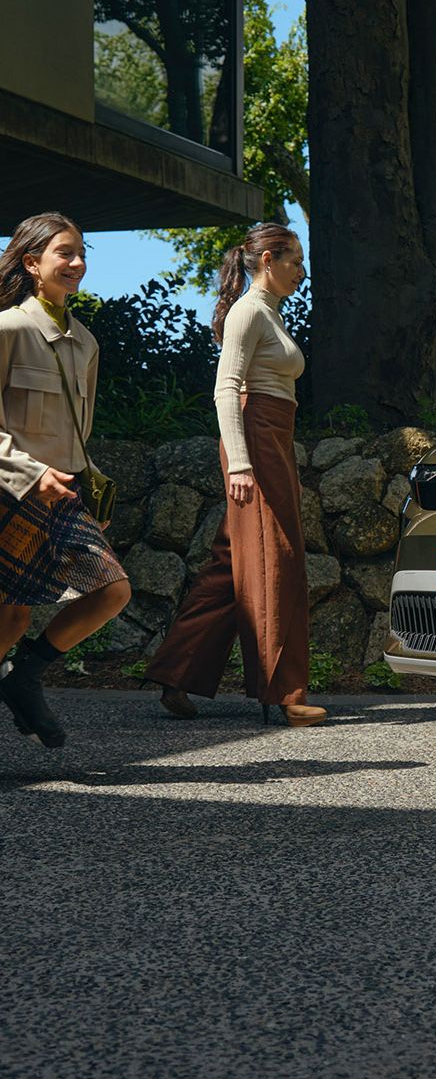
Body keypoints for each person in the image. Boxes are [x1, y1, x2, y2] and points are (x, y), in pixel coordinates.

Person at [145, 223, 326, 727]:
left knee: (237, 563)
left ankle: (177, 671)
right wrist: (242, 462)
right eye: (295, 261)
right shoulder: (248, 311)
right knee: (276, 557)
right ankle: (284, 692)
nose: (302, 271)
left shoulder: (269, 311)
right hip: (257, 438)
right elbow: (227, 388)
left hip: (273, 436)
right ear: (268, 260)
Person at [0, 215, 131, 749]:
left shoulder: (86, 343)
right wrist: (30, 475)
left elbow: (79, 430)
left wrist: (89, 485)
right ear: (32, 263)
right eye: (65, 253)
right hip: (10, 494)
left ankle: (24, 675)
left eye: (82, 253)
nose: (77, 263)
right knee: (10, 618)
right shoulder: (7, 330)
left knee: (112, 590)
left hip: (65, 494)